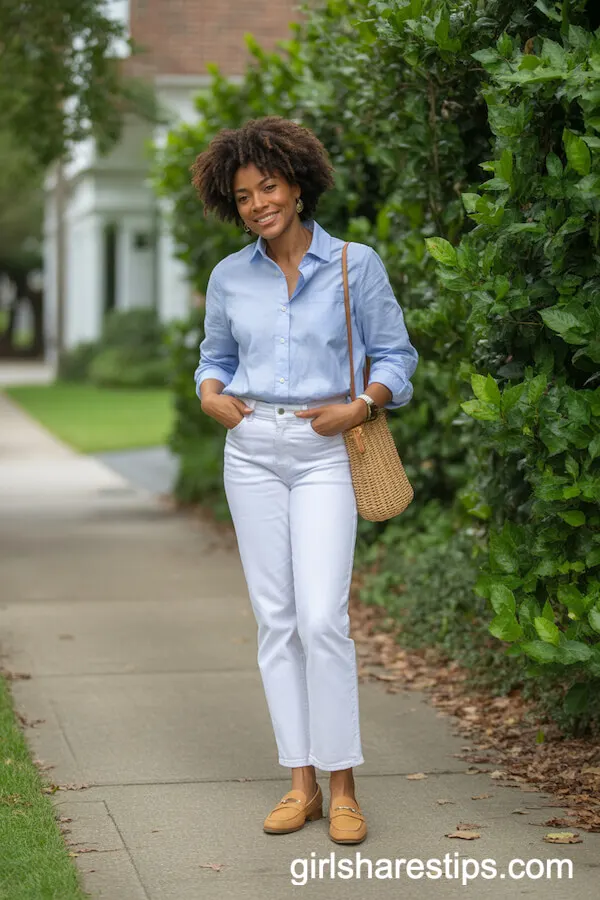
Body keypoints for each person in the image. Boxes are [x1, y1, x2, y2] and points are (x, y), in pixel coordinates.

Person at [191, 116, 418, 844]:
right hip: (252, 447)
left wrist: (361, 404)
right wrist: (209, 392)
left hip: (327, 450)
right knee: (276, 620)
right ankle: (301, 784)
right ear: (234, 205)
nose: (260, 203)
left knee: (322, 618)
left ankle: (344, 785)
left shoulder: (357, 264)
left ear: (297, 182)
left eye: (270, 186)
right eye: (245, 195)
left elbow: (396, 358)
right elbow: (213, 355)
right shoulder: (230, 276)